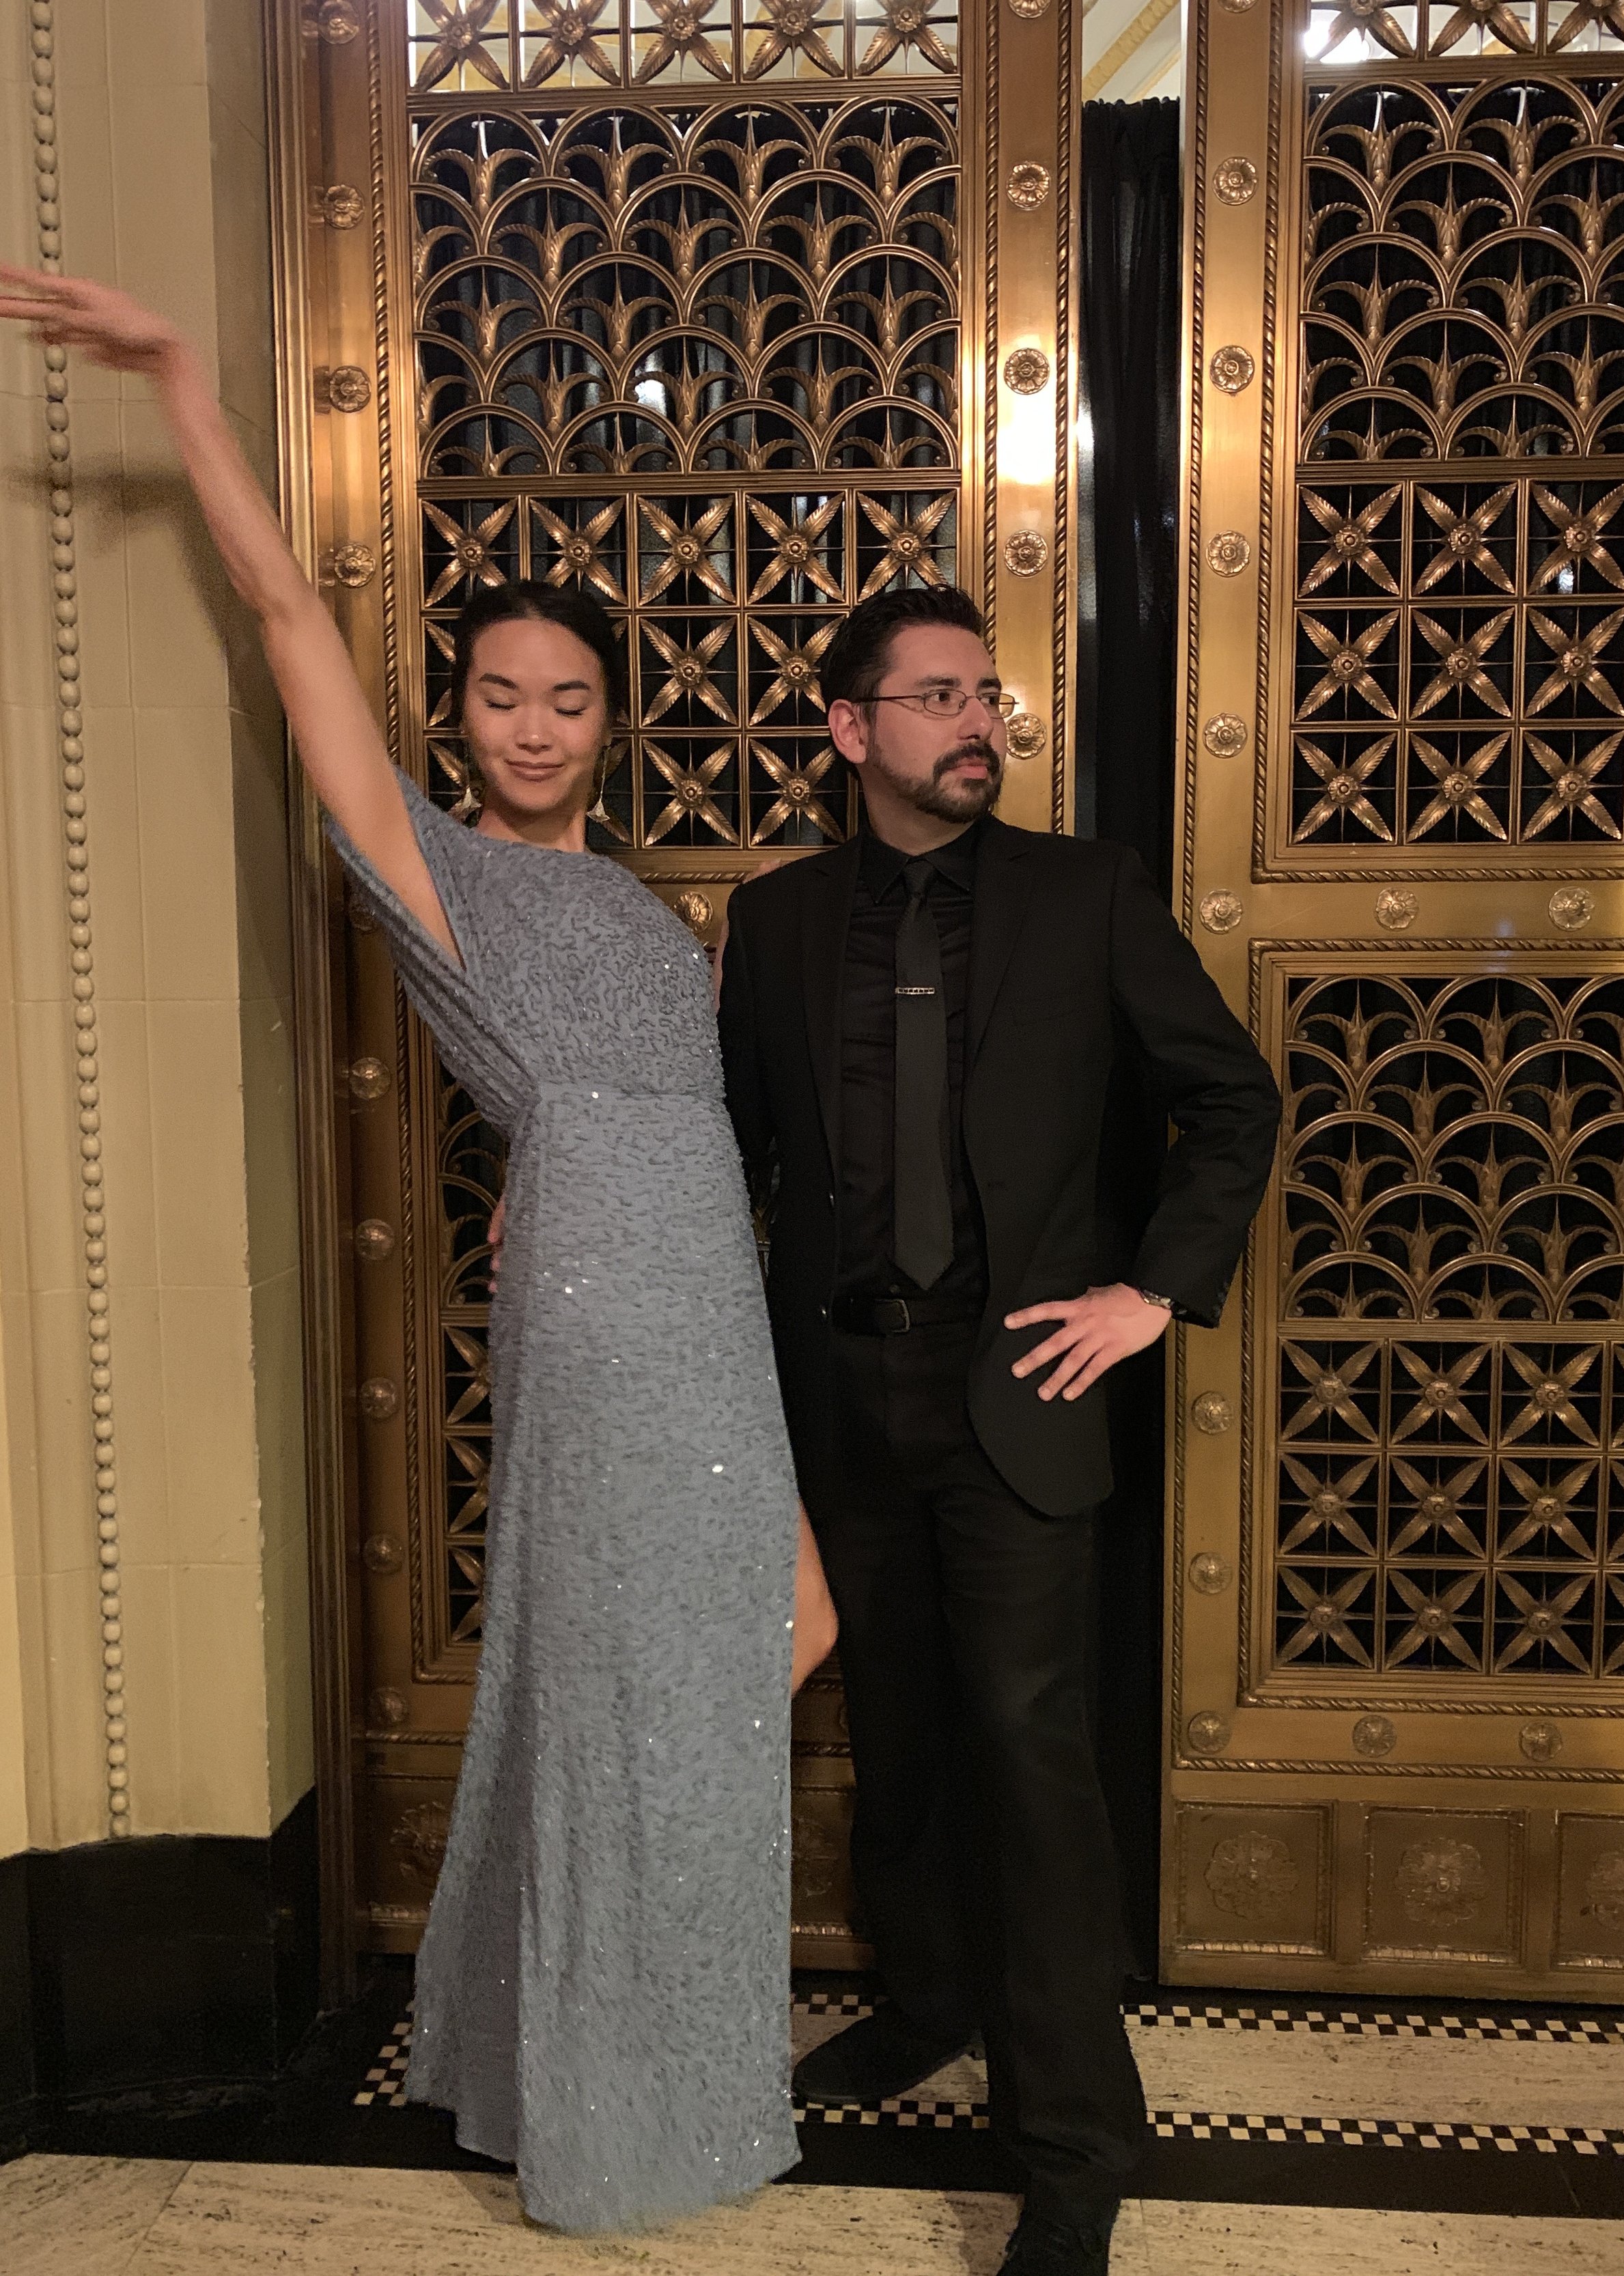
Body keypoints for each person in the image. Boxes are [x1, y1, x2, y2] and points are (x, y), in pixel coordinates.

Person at [0, 266, 837, 2234]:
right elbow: (291, 618)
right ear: (455, 716)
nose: (534, 724)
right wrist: (184, 386)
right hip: (603, 1285)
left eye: (568, 696)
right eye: (497, 693)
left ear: (610, 719)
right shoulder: (431, 865)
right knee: (635, 1673)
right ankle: (610, 2108)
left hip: (705, 1281)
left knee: (757, 1642)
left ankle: (563, 2048)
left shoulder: (643, 901)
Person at [717, 586, 1280, 2276]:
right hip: (837, 1388)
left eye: (989, 695)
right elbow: (730, 1152)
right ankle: (927, 1998)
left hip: (1020, 1389)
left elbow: (1231, 1099)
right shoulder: (779, 919)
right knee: (892, 1730)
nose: (981, 721)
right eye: (939, 695)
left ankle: (1071, 2151)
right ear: (849, 728)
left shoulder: (1080, 892)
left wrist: (1149, 1294)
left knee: (1029, 1756)